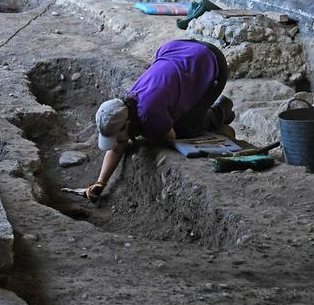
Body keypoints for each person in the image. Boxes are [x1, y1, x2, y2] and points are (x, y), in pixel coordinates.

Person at [86, 39, 234, 201]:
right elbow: (116, 148)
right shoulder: (127, 105)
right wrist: (101, 182)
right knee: (171, 116)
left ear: (126, 125)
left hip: (210, 61)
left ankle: (221, 111)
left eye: (116, 137)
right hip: (180, 49)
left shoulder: (148, 113)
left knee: (184, 129)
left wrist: (150, 134)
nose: (116, 143)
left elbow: (170, 136)